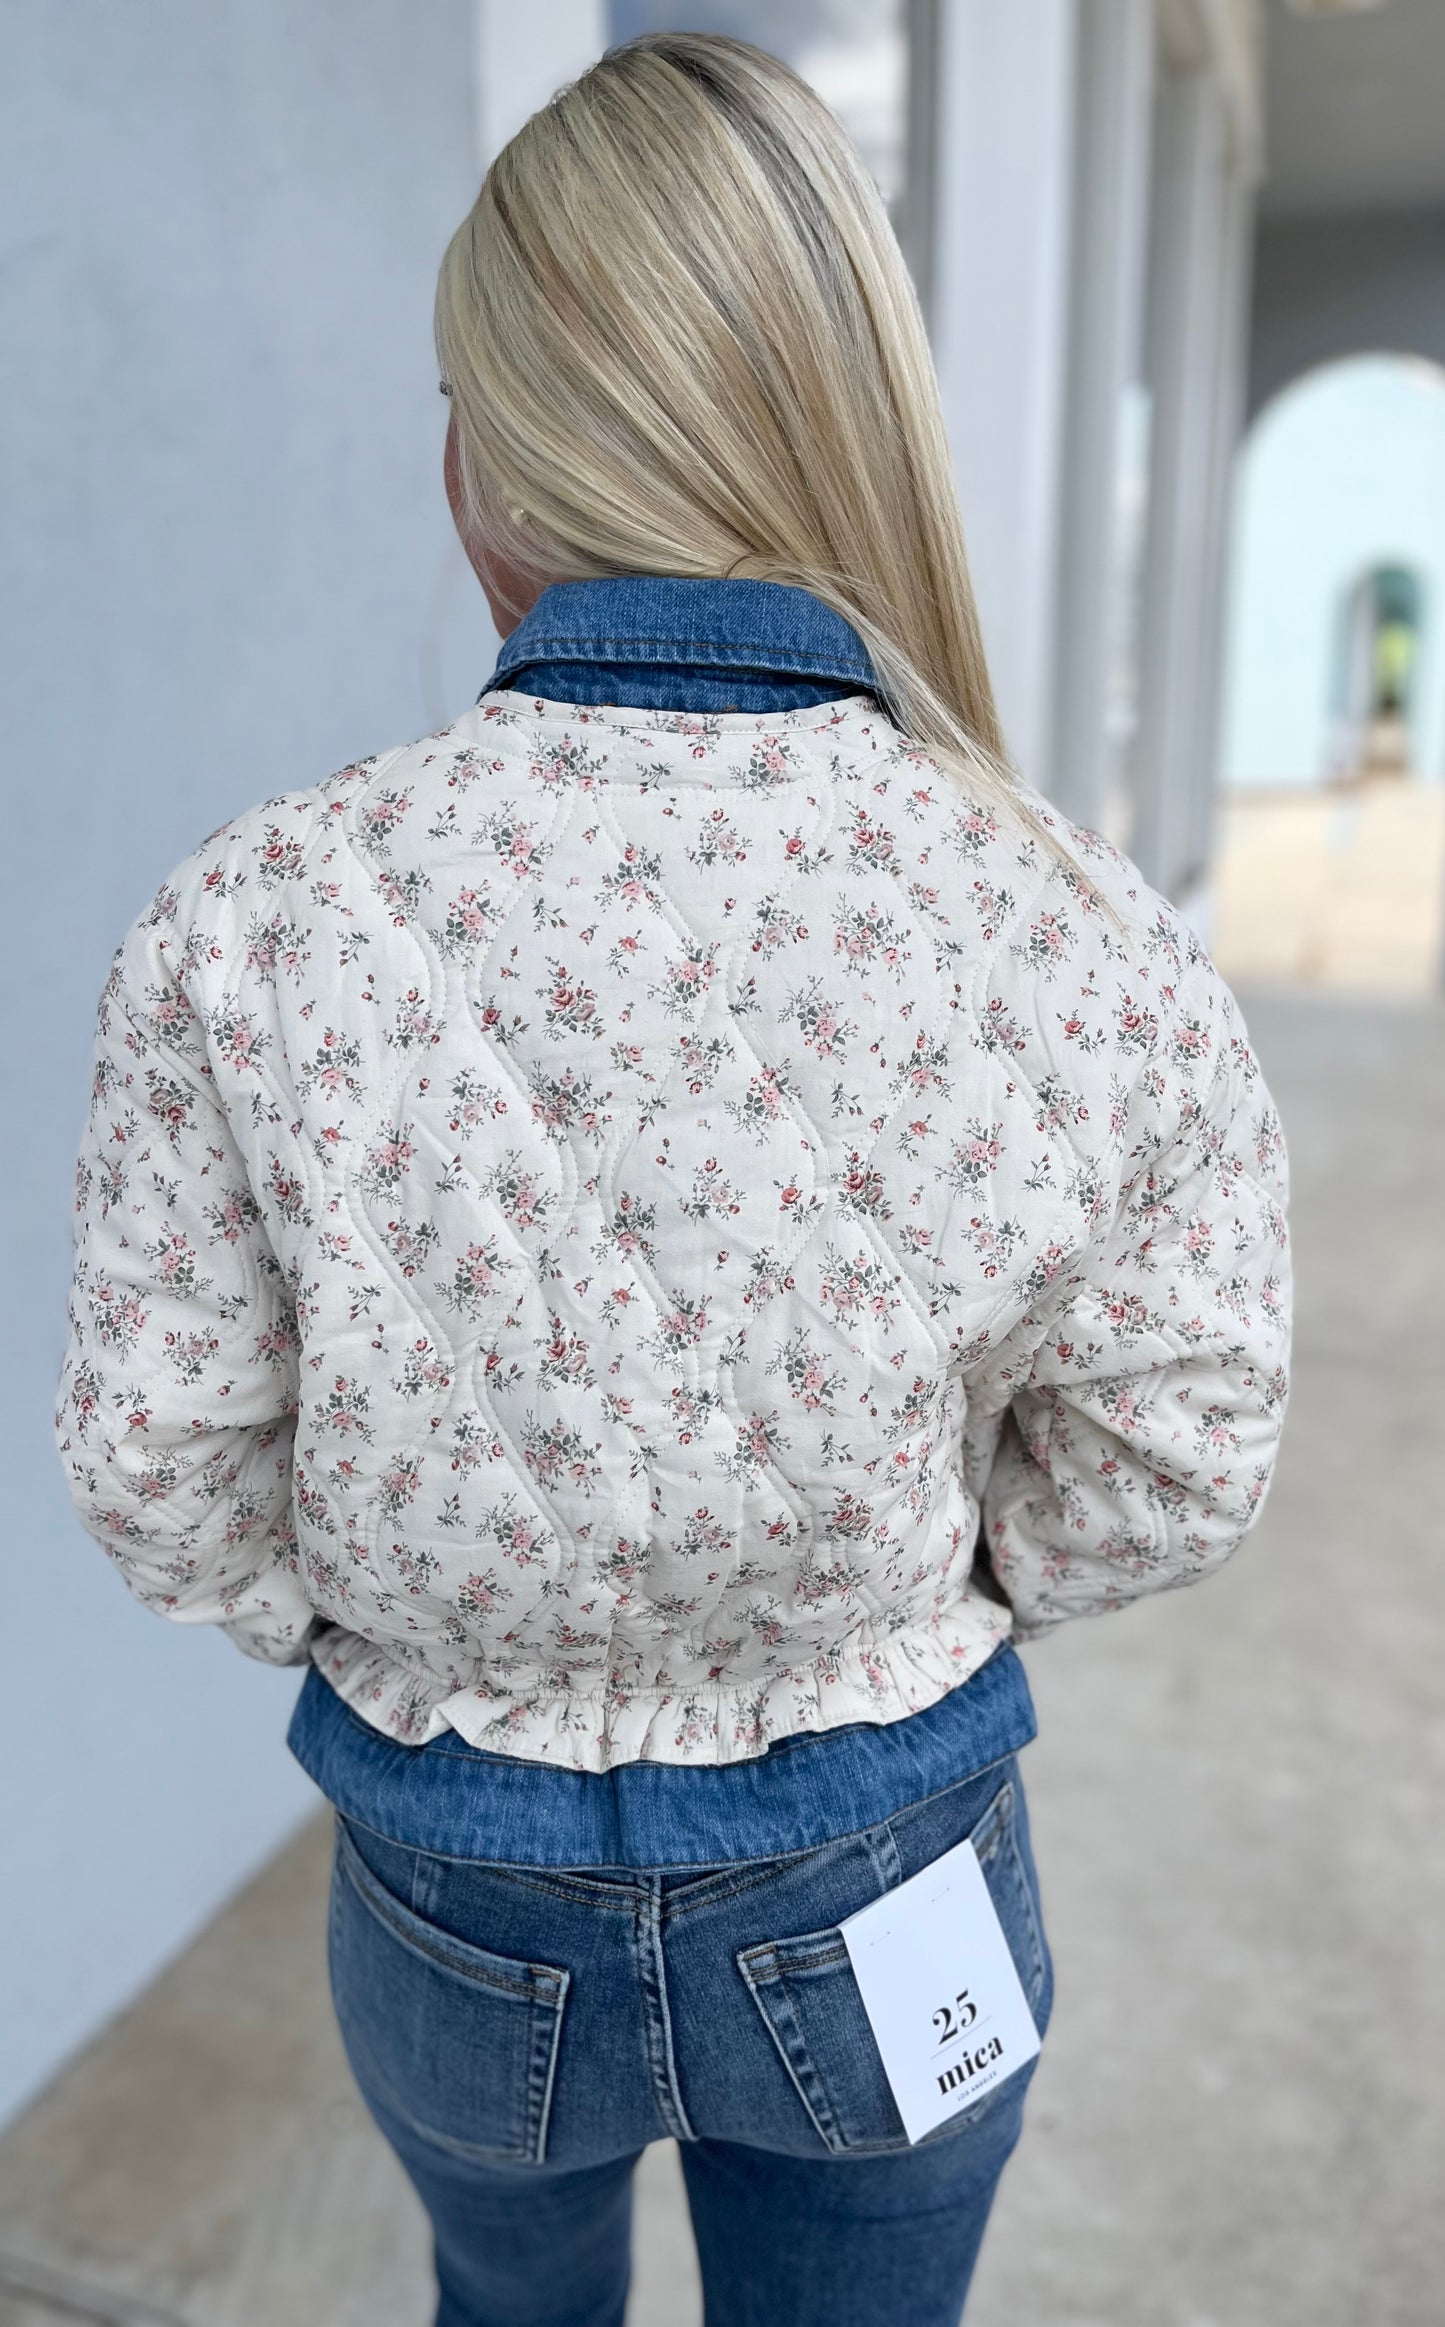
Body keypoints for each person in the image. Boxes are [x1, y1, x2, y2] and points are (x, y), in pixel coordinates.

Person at [56, 33, 1291, 2327]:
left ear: (485, 462)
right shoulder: (1075, 927)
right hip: (886, 1844)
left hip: (450, 1878)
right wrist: (908, 1592)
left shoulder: (254, 917)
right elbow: (1175, 1458)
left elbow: (162, 1464)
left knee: (501, 2304)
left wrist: (388, 1618)